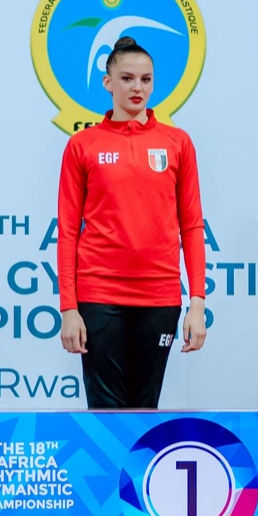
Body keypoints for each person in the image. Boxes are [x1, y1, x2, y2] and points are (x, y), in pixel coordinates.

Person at [57, 35, 207, 408]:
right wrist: (69, 309)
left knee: (144, 409)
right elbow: (68, 232)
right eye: (127, 79)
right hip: (99, 296)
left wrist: (197, 304)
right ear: (108, 82)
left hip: (159, 297)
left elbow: (191, 226)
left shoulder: (177, 143)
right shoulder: (83, 145)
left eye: (145, 79)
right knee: (106, 414)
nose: (137, 88)